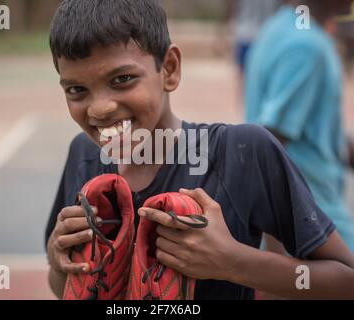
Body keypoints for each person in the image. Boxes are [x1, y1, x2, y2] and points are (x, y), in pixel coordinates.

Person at [45, 0, 354, 300]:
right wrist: (60, 261)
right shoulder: (83, 155)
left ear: (170, 69)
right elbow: (64, 286)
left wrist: (232, 261)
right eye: (76, 90)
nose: (100, 109)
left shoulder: (242, 153)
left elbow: (346, 280)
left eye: (122, 79)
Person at [245, 0, 354, 252]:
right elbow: (270, 139)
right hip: (315, 221)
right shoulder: (307, 46)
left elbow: (310, 133)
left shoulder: (279, 27)